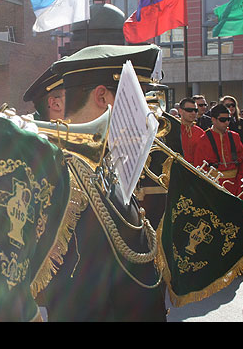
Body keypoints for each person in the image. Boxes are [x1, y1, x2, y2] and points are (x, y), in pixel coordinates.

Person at [38, 44, 167, 322]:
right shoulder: (69, 176)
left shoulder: (102, 164)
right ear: (102, 96)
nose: (146, 111)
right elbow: (79, 299)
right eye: (139, 98)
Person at [192, 103, 243, 278]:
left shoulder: (235, 137)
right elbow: (199, 167)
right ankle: (217, 266)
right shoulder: (204, 139)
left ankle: (241, 265)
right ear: (213, 120)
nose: (226, 123)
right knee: (217, 229)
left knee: (240, 226)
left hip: (236, 186)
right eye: (222, 120)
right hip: (216, 188)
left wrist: (242, 184)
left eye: (228, 119)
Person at [221, 95, 243, 172]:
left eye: (233, 105)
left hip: (241, 159)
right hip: (226, 161)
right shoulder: (220, 123)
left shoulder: (242, 122)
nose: (231, 107)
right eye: (227, 105)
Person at [178, 97, 204, 164]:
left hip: (195, 170)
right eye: (189, 110)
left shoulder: (201, 133)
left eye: (195, 110)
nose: (193, 113)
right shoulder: (173, 129)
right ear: (180, 111)